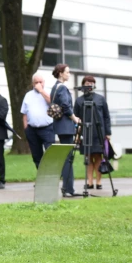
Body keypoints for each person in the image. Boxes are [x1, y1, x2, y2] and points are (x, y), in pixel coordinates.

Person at [73, 75, 111, 189]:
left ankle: (99, 182)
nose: (89, 84)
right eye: (87, 82)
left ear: (94, 85)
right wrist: (77, 134)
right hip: (85, 131)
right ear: (83, 84)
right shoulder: (79, 100)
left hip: (99, 131)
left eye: (91, 82)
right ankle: (89, 182)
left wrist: (108, 133)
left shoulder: (100, 99)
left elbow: (106, 117)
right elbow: (76, 118)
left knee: (98, 157)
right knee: (88, 157)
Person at [50, 64, 80, 197]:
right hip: (66, 127)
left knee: (66, 158)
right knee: (68, 159)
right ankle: (68, 189)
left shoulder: (55, 87)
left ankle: (67, 188)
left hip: (60, 126)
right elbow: (66, 107)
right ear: (61, 73)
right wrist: (75, 119)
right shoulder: (62, 88)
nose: (69, 74)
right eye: (67, 72)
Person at [21, 72, 54, 168]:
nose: (39, 84)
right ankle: (41, 178)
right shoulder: (28, 95)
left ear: (44, 82)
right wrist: (26, 129)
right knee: (36, 155)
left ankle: (51, 176)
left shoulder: (48, 93)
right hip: (32, 129)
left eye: (41, 82)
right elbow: (24, 113)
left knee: (50, 153)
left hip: (47, 128)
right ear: (33, 84)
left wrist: (41, 91)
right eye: (36, 82)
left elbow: (52, 102)